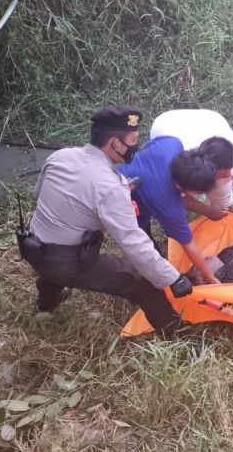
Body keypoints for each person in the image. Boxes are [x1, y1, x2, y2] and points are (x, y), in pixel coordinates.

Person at [19, 105, 192, 337]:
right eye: (132, 140)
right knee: (141, 281)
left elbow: (39, 195)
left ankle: (46, 302)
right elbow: (134, 243)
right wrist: (173, 277)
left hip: (32, 247)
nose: (135, 147)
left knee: (58, 254)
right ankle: (178, 335)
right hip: (65, 262)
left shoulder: (61, 156)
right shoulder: (111, 186)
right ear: (115, 143)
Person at [150, 109, 233, 256]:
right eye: (219, 177)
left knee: (225, 207)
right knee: (175, 206)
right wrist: (206, 210)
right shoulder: (179, 162)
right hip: (166, 125)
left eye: (226, 175)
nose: (223, 180)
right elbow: (173, 195)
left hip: (210, 120)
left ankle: (223, 234)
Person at [118, 135, 224, 285]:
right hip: (120, 202)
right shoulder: (170, 207)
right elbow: (189, 245)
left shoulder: (171, 144)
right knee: (141, 244)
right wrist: (210, 277)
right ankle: (141, 280)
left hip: (114, 168)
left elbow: (146, 147)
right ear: (191, 190)